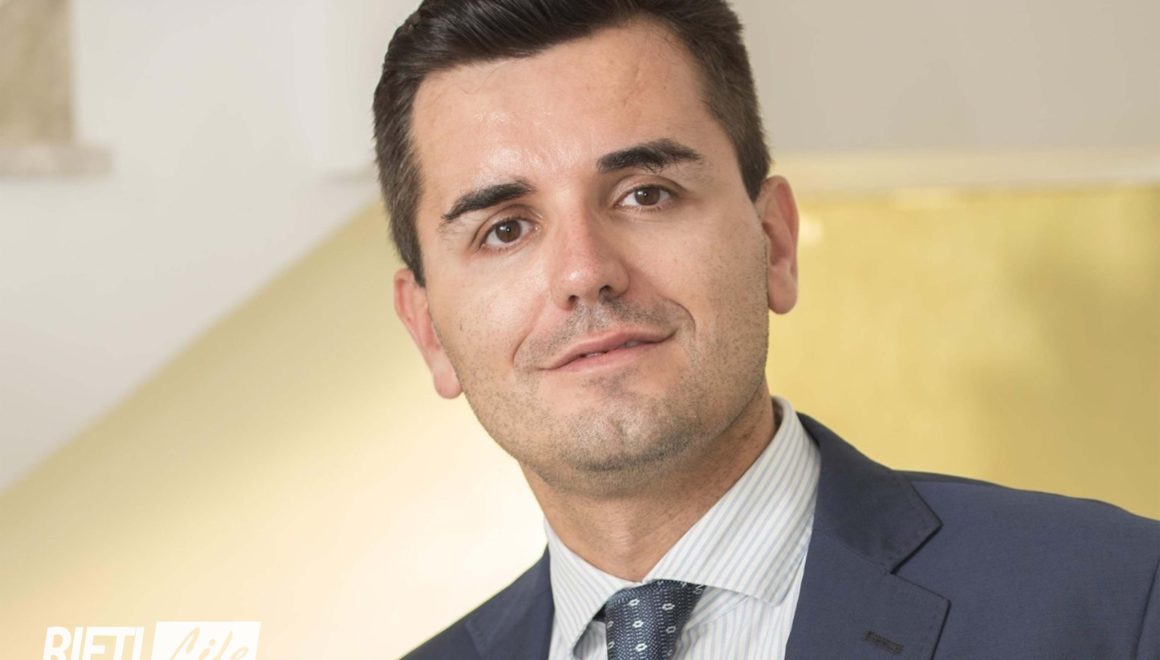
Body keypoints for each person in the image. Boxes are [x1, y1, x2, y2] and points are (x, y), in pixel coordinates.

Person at [371, 1, 1160, 658]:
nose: (585, 272)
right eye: (505, 230)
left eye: (646, 194)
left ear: (775, 242)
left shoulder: (1118, 600)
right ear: (429, 331)